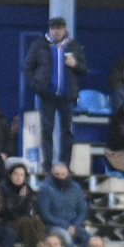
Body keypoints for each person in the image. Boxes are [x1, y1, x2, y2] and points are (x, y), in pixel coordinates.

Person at [22, 17, 87, 165]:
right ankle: (47, 165)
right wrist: (36, 86)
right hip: (47, 95)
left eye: (59, 28)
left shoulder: (73, 45)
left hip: (67, 96)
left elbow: (84, 68)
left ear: (65, 29)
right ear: (49, 29)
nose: (56, 32)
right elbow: (27, 67)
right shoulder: (39, 45)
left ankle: (65, 165)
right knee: (46, 131)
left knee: (67, 132)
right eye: (53, 28)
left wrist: (75, 64)